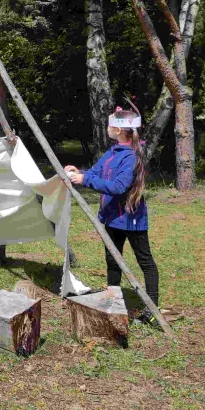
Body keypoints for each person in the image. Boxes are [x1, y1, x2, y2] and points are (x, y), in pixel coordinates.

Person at [64, 106, 160, 326]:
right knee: (112, 260)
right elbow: (96, 173)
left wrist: (84, 180)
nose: (107, 127)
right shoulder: (113, 151)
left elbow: (118, 187)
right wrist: (80, 173)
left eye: (109, 124)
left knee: (145, 261)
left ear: (117, 129)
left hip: (130, 219)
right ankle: (113, 303)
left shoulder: (131, 157)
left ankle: (152, 308)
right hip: (111, 218)